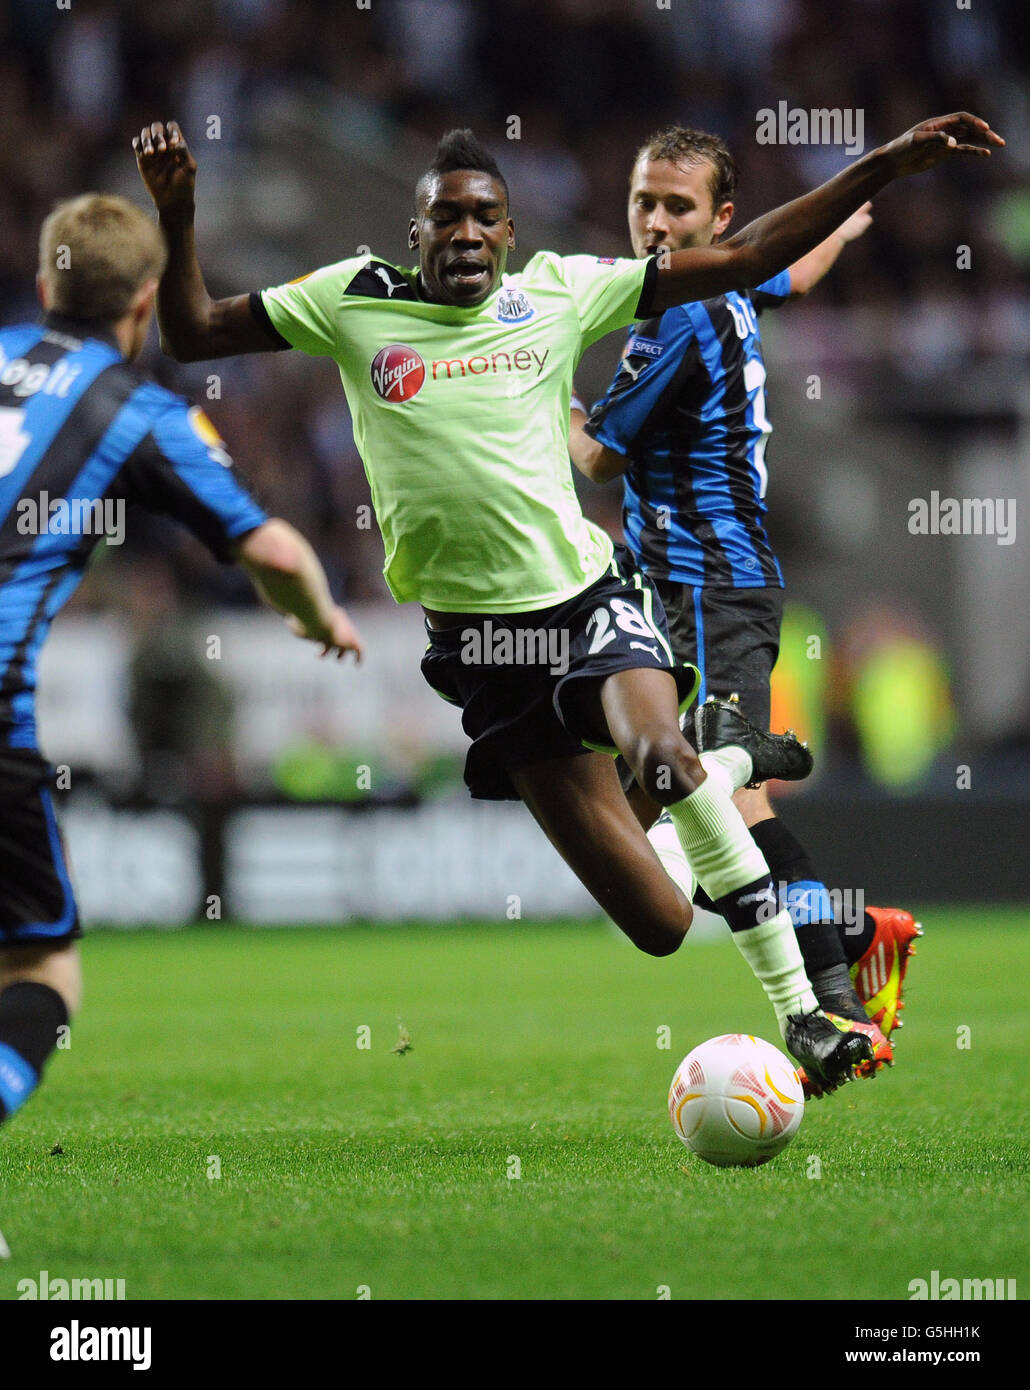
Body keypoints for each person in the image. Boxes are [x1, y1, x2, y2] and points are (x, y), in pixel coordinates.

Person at [133, 112, 1000, 1091]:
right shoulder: (349, 298)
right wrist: (179, 213)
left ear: (509, 236)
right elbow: (192, 328)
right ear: (412, 234)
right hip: (482, 657)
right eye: (444, 218)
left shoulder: (559, 291)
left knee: (664, 759)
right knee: (662, 924)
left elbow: (753, 252)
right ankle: (732, 768)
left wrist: (884, 162)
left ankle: (806, 1013)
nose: (464, 233)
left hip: (590, 600)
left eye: (484, 219)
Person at [567, 127, 923, 1092]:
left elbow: (597, 457)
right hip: (683, 586)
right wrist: (839, 233)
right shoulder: (723, 279)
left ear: (719, 219)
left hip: (706, 584)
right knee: (693, 809)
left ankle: (835, 1001)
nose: (654, 222)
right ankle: (849, 933)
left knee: (710, 798)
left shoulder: (672, 318)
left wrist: (528, 389)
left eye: (677, 208)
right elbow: (791, 274)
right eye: (643, 201)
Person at [0, 193, 363, 1127]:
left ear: (46, 284)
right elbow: (273, 550)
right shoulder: (139, 411)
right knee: (41, 967)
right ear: (145, 302)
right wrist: (319, 617)